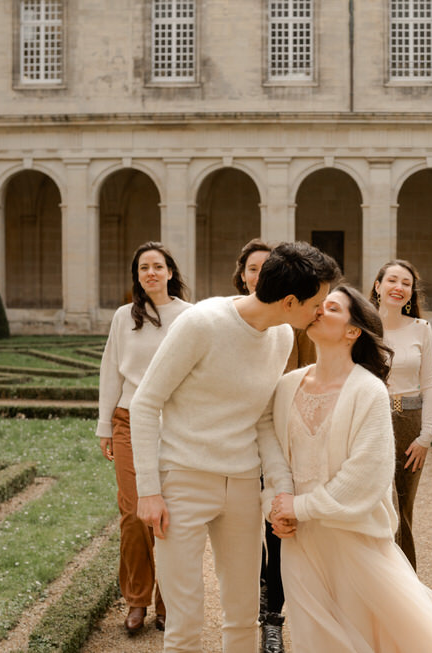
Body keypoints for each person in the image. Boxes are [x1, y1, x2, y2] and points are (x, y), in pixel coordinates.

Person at [265, 285, 432, 653]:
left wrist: (298, 507)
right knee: (317, 642)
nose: (317, 310)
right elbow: (273, 450)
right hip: (300, 543)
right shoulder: (285, 387)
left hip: (356, 543)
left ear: (353, 330)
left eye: (330, 307)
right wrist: (278, 499)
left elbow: (367, 476)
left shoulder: (369, 391)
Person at [130, 241, 341, 653]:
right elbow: (145, 401)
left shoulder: (282, 336)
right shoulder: (201, 324)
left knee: (243, 615)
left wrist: (280, 488)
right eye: (318, 303)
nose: (322, 312)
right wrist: (149, 490)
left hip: (242, 483)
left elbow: (262, 417)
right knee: (185, 621)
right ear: (290, 301)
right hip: (182, 481)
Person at [96, 242, 191, 634]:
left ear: (170, 272)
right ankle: (137, 600)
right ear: (137, 276)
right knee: (135, 515)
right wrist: (104, 426)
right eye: (143, 268)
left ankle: (168, 601)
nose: (151, 273)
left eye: (158, 266)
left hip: (176, 426)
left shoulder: (189, 316)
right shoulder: (124, 318)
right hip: (129, 422)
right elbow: (110, 372)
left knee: (172, 517)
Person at [233, 238, 314, 653]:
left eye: (266, 269)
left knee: (275, 531)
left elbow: (305, 377)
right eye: (252, 269)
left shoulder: (290, 327)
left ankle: (272, 618)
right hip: (232, 445)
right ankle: (247, 607)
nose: (259, 275)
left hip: (279, 442)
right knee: (240, 533)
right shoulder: (227, 321)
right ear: (243, 274)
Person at [369, 259, 432, 570]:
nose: (399, 287)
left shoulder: (421, 329)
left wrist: (426, 436)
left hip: (409, 422)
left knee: (404, 508)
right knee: (377, 505)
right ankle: (377, 575)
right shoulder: (363, 328)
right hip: (371, 422)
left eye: (406, 283)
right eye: (392, 280)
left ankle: (407, 581)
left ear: (411, 292)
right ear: (378, 286)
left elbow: (430, 384)